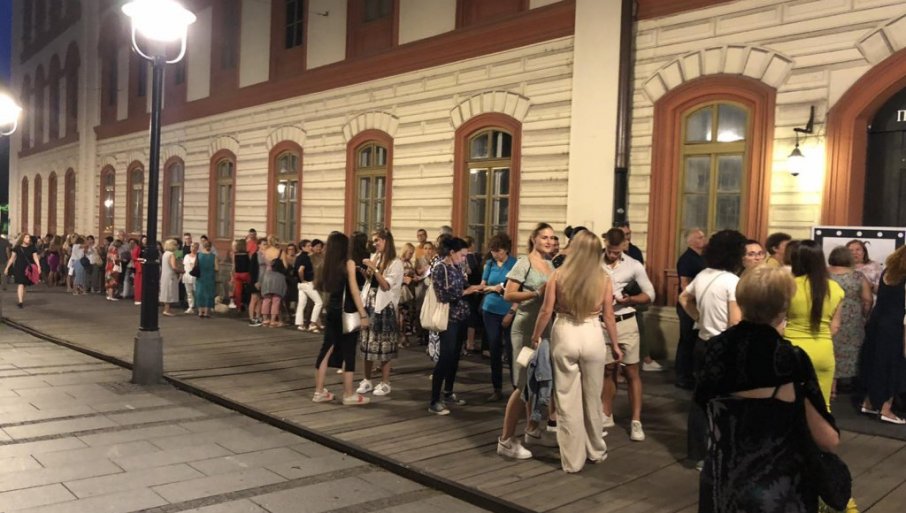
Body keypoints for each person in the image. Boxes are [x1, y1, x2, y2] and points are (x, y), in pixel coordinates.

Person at [695, 266, 841, 513]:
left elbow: (703, 403)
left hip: (722, 482)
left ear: (741, 300)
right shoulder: (789, 359)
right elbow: (827, 440)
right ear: (784, 307)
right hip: (777, 487)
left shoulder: (714, 351)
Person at [530, 230, 622, 472]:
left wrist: (536, 335)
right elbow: (609, 316)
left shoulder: (558, 275)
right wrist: (615, 344)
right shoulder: (604, 278)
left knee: (566, 399)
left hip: (565, 331)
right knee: (593, 396)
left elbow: (546, 311)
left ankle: (572, 459)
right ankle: (596, 450)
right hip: (592, 333)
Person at [678, 229, 746, 465]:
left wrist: (698, 317)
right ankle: (721, 453)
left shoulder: (703, 275)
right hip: (723, 347)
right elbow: (735, 322)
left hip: (703, 342)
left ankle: (697, 454)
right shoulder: (731, 281)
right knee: (726, 401)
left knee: (700, 400)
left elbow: (683, 298)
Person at [497, 223, 555, 457]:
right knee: (522, 384)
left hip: (544, 329)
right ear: (534, 239)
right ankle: (505, 440)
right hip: (524, 330)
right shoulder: (524, 263)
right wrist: (536, 292)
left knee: (539, 381)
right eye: (544, 237)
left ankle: (532, 429)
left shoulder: (551, 265)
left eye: (552, 237)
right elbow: (508, 294)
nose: (549, 241)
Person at [601, 228, 655, 442]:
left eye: (616, 251)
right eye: (609, 250)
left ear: (624, 245)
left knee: (632, 371)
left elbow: (650, 294)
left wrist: (630, 299)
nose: (612, 255)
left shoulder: (634, 265)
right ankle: (606, 413)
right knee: (607, 369)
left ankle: (636, 421)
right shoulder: (595, 263)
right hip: (602, 323)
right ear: (605, 243)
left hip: (626, 321)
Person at [312, 231, 371, 405]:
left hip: (332, 310)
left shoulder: (326, 264)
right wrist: (363, 314)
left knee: (326, 349)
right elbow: (354, 290)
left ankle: (319, 391)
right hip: (348, 311)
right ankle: (349, 394)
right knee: (349, 351)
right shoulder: (348, 263)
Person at [786, 240, 844, 407]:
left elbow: (778, 322)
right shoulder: (835, 288)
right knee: (822, 405)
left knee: (791, 405)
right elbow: (835, 326)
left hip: (793, 349)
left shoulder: (788, 286)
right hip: (823, 350)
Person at [428, 236, 482, 415]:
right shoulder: (440, 268)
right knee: (445, 357)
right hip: (448, 319)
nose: (464, 258)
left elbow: (466, 286)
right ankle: (434, 400)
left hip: (461, 317)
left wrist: (481, 287)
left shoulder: (457, 267)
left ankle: (448, 392)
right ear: (451, 252)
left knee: (455, 357)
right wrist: (467, 291)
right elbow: (444, 295)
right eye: (462, 255)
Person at [861, 245, 906, 424]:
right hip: (895, 326)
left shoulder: (888, 272)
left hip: (877, 322)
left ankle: (869, 403)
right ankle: (886, 409)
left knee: (875, 362)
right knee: (893, 367)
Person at [356, 229, 404, 397]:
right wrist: (366, 273)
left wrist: (374, 268)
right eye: (374, 240)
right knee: (367, 343)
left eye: (377, 240)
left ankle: (385, 382)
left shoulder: (395, 262)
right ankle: (367, 379)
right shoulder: (376, 256)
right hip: (370, 303)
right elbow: (373, 281)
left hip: (384, 307)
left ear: (386, 241)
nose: (375, 243)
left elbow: (385, 285)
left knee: (384, 346)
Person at [827, 246, 872, 399]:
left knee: (830, 350)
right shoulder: (858, 276)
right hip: (852, 319)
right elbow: (867, 300)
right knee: (853, 350)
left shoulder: (823, 274)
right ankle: (852, 384)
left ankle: (831, 387)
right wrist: (864, 316)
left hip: (829, 317)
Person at [480, 233, 518, 401]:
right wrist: (492, 288)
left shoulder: (515, 263)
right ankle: (497, 388)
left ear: (506, 249)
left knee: (511, 350)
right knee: (494, 348)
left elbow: (520, 290)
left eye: (499, 251)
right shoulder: (489, 264)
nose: (496, 254)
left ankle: (517, 389)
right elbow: (482, 286)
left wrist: (512, 312)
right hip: (490, 310)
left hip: (508, 309)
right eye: (493, 251)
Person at [675, 228, 706, 390]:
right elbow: (684, 284)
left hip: (699, 304)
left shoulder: (702, 258)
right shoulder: (687, 259)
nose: (704, 239)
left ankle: (692, 373)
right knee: (687, 340)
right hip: (688, 305)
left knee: (693, 340)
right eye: (700, 237)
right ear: (691, 241)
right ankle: (682, 376)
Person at [5, 233, 41, 307]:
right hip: (19, 267)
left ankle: (21, 299)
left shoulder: (32, 248)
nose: (28, 239)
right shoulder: (17, 248)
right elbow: (12, 258)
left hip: (28, 268)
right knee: (20, 283)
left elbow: (35, 257)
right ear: (22, 239)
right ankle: (20, 302)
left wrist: (38, 266)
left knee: (24, 285)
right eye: (26, 237)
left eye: (29, 238)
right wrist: (7, 267)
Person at [294, 239, 324, 332]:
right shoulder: (306, 257)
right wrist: (303, 280)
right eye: (308, 246)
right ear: (302, 247)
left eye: (310, 245)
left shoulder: (298, 257)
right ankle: (312, 323)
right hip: (306, 283)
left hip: (300, 284)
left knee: (301, 304)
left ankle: (300, 324)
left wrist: (301, 281)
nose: (310, 247)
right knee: (319, 302)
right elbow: (300, 270)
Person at [260, 236, 288, 327]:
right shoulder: (281, 252)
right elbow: (285, 266)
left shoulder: (265, 251)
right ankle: (273, 321)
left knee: (266, 298)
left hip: (267, 275)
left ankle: (265, 320)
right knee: (276, 299)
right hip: (278, 276)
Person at [194, 239, 218, 318]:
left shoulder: (198, 255)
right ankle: (207, 312)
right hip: (210, 276)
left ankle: (200, 312)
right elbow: (217, 268)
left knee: (200, 293)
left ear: (202, 246)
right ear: (211, 246)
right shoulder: (213, 256)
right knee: (209, 293)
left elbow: (195, 266)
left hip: (200, 276)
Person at [160, 238, 181, 316]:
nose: (177, 246)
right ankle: (167, 310)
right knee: (169, 291)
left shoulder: (165, 254)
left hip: (164, 274)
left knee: (166, 291)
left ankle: (166, 309)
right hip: (170, 275)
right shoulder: (172, 254)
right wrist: (181, 271)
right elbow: (174, 267)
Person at [231, 238, 251, 312]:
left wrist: (232, 275)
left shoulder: (235, 254)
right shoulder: (247, 254)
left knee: (238, 292)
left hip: (237, 274)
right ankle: (248, 305)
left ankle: (238, 307)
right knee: (249, 289)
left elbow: (234, 265)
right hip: (246, 273)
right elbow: (250, 264)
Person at [182, 242, 199, 314]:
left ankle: (198, 307)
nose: (193, 248)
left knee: (196, 292)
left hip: (195, 277)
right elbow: (184, 266)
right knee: (189, 292)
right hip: (187, 276)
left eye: (195, 247)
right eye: (192, 246)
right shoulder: (186, 256)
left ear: (197, 248)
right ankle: (190, 307)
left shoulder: (198, 256)